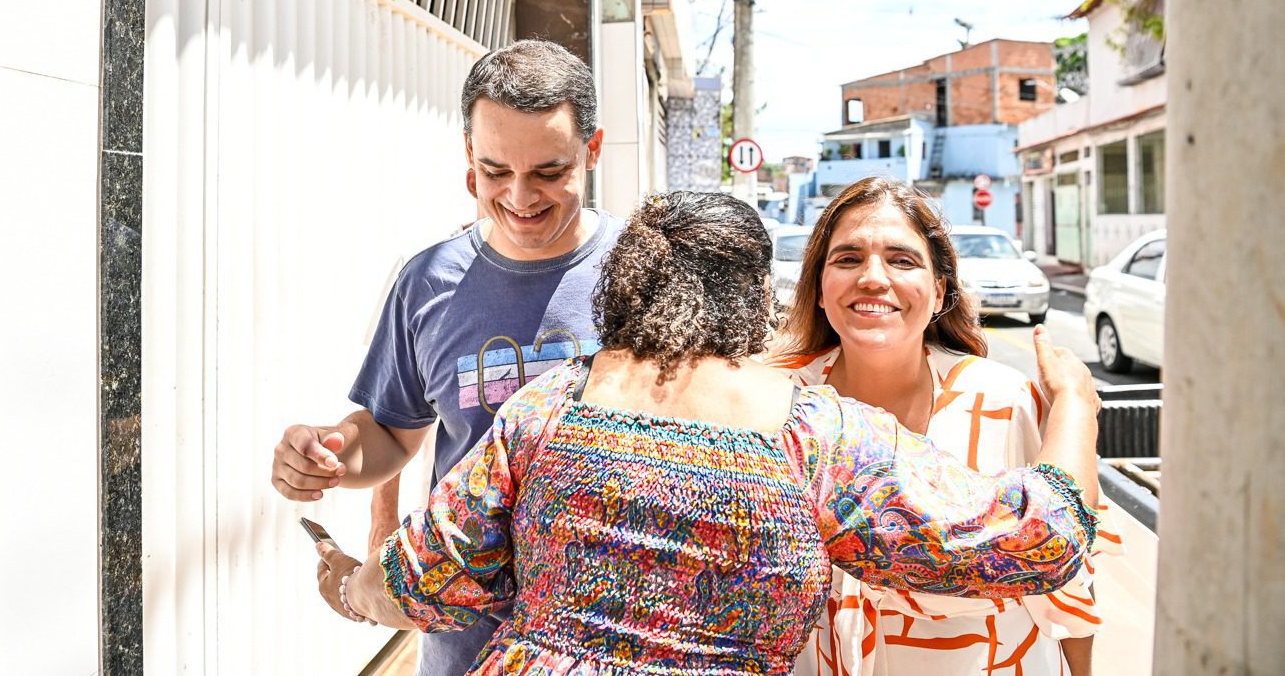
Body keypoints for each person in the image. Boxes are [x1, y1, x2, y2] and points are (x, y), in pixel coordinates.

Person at [315, 192, 1102, 674]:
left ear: (622, 285)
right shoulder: (814, 434)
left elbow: (421, 578)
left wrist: (347, 586)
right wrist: (1075, 407)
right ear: (758, 293)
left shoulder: (547, 406)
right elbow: (1039, 542)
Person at [271, 39, 621, 676]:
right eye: (495, 172)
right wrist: (326, 454)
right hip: (464, 646)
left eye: (549, 171)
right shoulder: (428, 282)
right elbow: (390, 435)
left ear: (592, 149)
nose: (521, 196)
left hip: (613, 642)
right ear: (468, 155)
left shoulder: (644, 272)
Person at [767, 176, 1116, 676]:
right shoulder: (774, 406)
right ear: (820, 290)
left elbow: (1071, 571)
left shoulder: (1004, 401)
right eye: (847, 259)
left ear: (938, 292)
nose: (872, 277)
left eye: (901, 260)